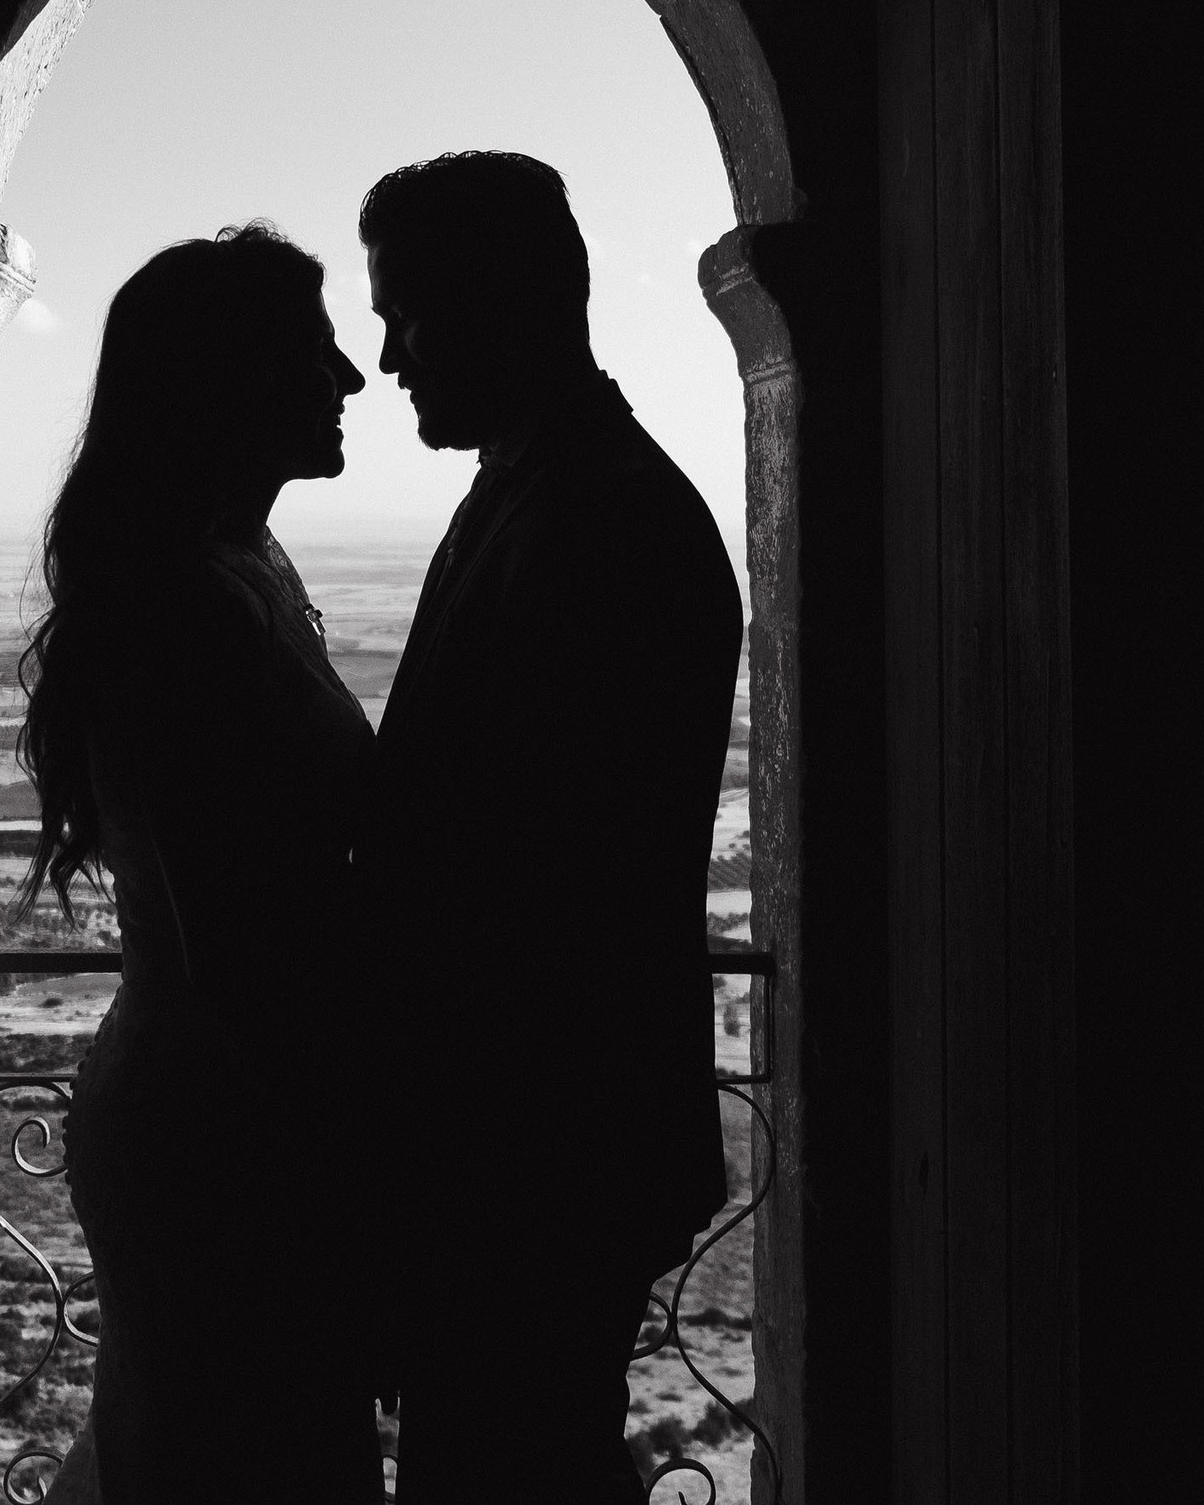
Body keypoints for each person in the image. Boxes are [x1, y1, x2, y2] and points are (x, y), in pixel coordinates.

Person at [353, 153, 743, 1502]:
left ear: (501, 298)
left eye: (406, 308)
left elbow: (529, 897)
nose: (388, 352)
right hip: (533, 1152)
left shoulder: (598, 519)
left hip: (527, 1158)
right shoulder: (562, 489)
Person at [19, 225, 383, 1503]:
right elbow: (244, 943)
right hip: (227, 1141)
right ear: (225, 382)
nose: (348, 379)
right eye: (313, 350)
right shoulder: (185, 607)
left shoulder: (228, 575)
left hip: (220, 1116)